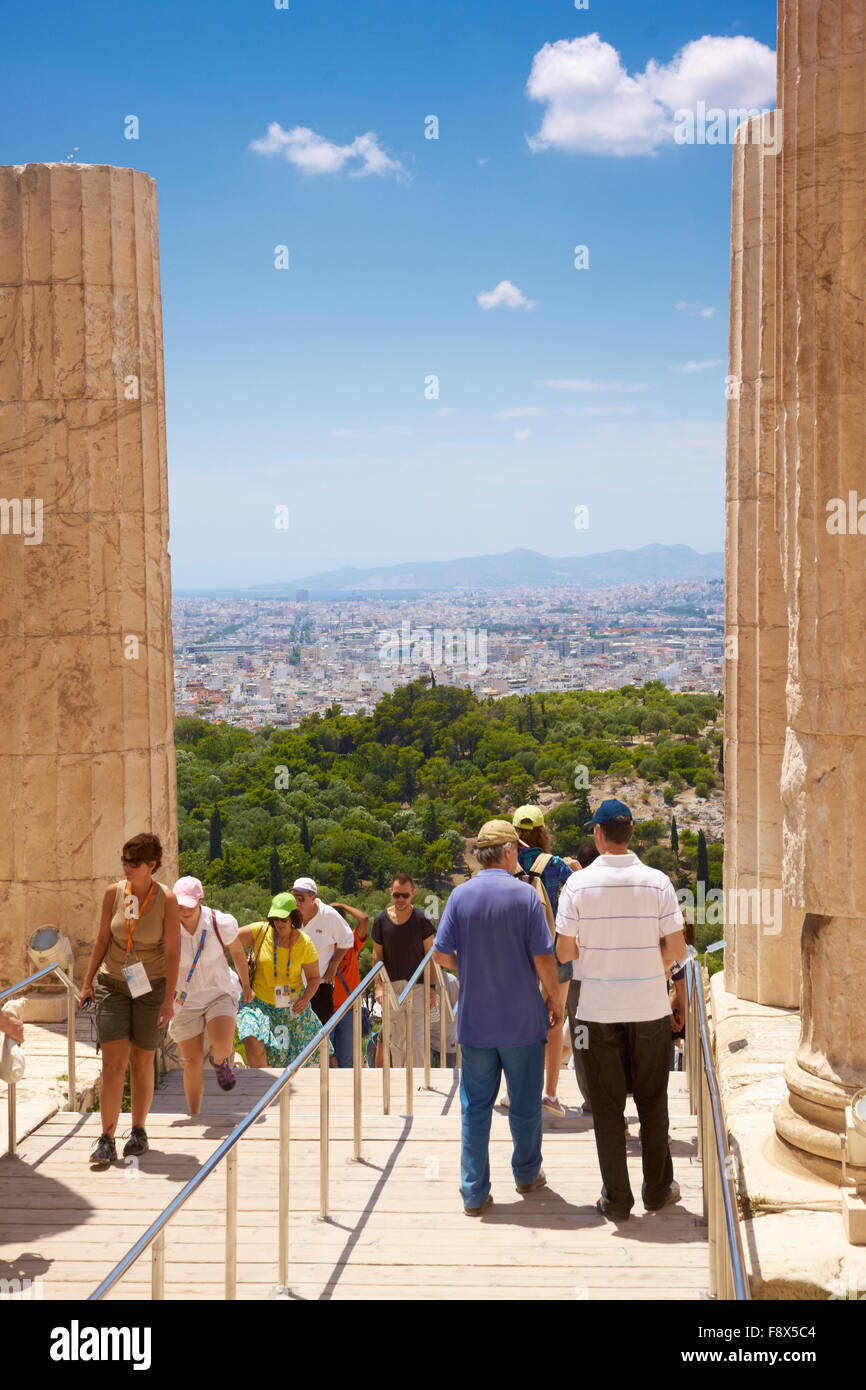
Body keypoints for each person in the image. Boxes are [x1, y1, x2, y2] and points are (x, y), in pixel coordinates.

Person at [556, 799, 687, 1221]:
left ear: (597, 834)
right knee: (653, 1102)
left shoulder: (576, 887)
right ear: (629, 834)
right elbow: (676, 950)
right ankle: (657, 1189)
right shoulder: (658, 881)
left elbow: (564, 950)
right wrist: (646, 968)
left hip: (595, 1012)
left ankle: (617, 1198)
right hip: (649, 1008)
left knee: (608, 1107)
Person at [433, 820, 562, 1216]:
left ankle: (474, 1192)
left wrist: (468, 965)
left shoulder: (459, 896)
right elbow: (543, 958)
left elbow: (441, 954)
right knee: (524, 1105)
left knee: (475, 1108)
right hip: (522, 1021)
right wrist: (554, 998)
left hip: (475, 1022)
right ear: (508, 852)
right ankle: (526, 1175)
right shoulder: (525, 897)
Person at [80, 832, 180, 1169]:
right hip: (113, 983)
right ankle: (106, 1138)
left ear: (152, 865)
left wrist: (169, 1000)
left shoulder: (167, 899)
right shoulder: (114, 893)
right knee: (112, 1063)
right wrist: (86, 981)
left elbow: (173, 951)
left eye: (134, 862)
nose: (127, 867)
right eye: (124, 860)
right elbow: (101, 939)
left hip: (151, 987)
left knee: (142, 1060)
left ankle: (138, 1130)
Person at [512, 805, 577, 1117]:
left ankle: (517, 1092)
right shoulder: (554, 864)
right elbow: (581, 891)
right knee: (554, 1019)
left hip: (516, 954)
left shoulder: (504, 864)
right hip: (552, 951)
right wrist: (575, 868)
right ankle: (550, 1093)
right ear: (542, 831)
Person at [169, 877, 253, 1114]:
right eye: (178, 905)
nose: (182, 910)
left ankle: (219, 1062)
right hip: (184, 1000)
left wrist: (246, 986)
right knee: (192, 1061)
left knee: (222, 1044)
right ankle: (194, 1114)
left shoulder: (219, 923)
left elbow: (237, 952)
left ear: (200, 902)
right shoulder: (168, 926)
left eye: (188, 905)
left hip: (218, 990)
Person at [236, 893, 322, 1068]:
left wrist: (305, 1000)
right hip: (257, 1003)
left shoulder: (305, 944)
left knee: (285, 1059)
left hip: (290, 1007)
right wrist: (243, 980)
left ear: (293, 918)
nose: (278, 923)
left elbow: (314, 978)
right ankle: (262, 1086)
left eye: (283, 919)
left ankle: (278, 1089)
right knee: (251, 1039)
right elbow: (230, 942)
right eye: (275, 918)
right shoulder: (260, 931)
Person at [371, 875, 436, 1067]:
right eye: (396, 895)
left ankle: (417, 1083)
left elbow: (429, 956)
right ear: (391, 893)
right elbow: (377, 956)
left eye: (405, 896)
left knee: (417, 1038)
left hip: (417, 986)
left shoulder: (422, 919)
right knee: (396, 1040)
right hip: (392, 987)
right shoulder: (381, 920)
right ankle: (401, 1081)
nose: (400, 900)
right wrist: (379, 987)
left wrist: (432, 987)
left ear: (413, 894)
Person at [564, 840, 600, 1112]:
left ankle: (591, 1097)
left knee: (582, 1039)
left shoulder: (573, 890)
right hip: (609, 978)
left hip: (578, 980)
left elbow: (564, 946)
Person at [291, 877, 353, 1026]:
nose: (297, 902)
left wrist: (333, 965)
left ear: (313, 897)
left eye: (301, 898)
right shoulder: (289, 914)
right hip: (293, 984)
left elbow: (347, 939)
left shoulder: (328, 915)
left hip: (320, 983)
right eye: (295, 898)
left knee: (320, 1034)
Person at [329, 901, 369, 1068]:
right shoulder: (320, 944)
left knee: (347, 1060)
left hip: (349, 1009)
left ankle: (348, 1094)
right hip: (326, 1009)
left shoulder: (350, 941)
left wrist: (342, 906)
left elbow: (364, 919)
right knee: (324, 1059)